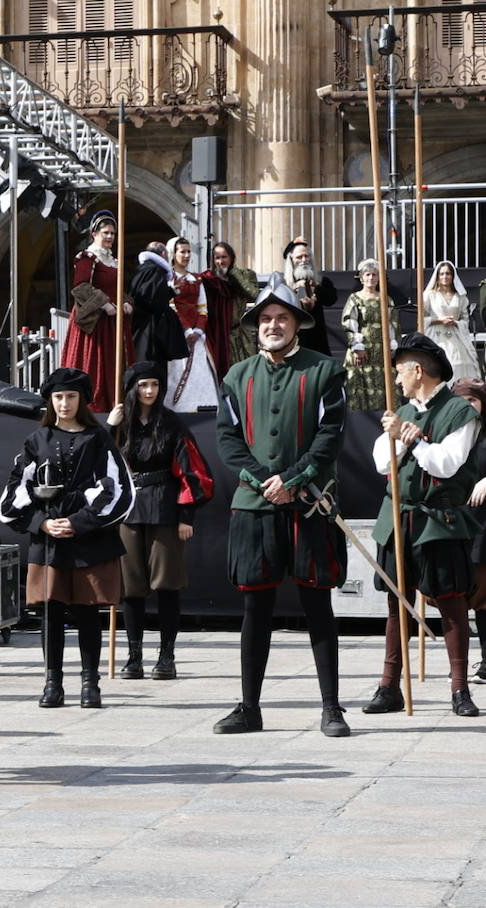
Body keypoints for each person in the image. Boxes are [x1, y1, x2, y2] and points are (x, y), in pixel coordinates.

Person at [212, 274, 351, 737]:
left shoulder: (324, 371)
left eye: (282, 317)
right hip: (254, 506)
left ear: (297, 323)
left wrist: (293, 480)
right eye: (266, 318)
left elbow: (329, 437)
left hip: (309, 503)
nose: (273, 325)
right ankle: (249, 707)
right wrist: (262, 481)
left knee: (317, 606)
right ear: (257, 326)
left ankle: (331, 707)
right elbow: (228, 441)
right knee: (256, 610)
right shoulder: (236, 375)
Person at [0, 367, 134, 709]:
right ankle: (52, 683)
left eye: (71, 396)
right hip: (49, 542)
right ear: (50, 400)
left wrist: (78, 522)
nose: (64, 403)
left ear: (82, 399)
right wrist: (43, 523)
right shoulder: (36, 441)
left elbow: (118, 491)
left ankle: (91, 683)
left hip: (89, 538)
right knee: (51, 613)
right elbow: (14, 495)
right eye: (58, 397)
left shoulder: (99, 438)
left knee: (88, 612)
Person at [363, 334, 481, 718]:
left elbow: (447, 463)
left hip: (440, 520)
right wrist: (399, 436)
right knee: (397, 603)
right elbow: (382, 462)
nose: (396, 380)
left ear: (418, 370)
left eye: (400, 372)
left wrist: (414, 442)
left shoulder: (461, 412)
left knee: (450, 604)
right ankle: (389, 685)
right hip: (400, 517)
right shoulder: (403, 412)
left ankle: (460, 689)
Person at [107, 361, 214, 679]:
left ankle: (166, 656)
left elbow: (193, 470)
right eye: (142, 385)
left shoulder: (171, 423)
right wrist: (109, 427)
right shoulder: (121, 423)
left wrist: (186, 516)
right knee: (131, 588)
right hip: (128, 510)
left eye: (154, 384)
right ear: (131, 389)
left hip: (165, 508)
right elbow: (101, 464)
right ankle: (134, 656)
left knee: (167, 585)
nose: (149, 391)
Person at [60, 211, 132, 413]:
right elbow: (80, 286)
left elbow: (117, 289)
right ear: (94, 234)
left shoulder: (114, 261)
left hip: (112, 322)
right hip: (95, 323)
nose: (110, 237)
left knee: (113, 365)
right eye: (106, 233)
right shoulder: (87, 257)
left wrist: (126, 302)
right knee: (95, 365)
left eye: (112, 233)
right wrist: (104, 304)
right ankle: (93, 406)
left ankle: (115, 405)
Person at [164, 236, 220, 412]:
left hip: (197, 337)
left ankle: (200, 409)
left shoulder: (196, 279)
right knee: (176, 372)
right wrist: (186, 330)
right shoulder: (168, 278)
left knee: (200, 372)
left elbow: (203, 308)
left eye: (189, 251)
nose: (187, 255)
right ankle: (176, 410)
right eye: (183, 251)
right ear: (174, 253)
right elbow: (171, 306)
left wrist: (198, 330)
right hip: (176, 334)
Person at [455, 378, 486, 682]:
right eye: (462, 402)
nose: (467, 408)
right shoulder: (451, 434)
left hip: (484, 524)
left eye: (473, 401)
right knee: (467, 597)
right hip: (459, 523)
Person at [200, 241, 260, 373]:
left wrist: (233, 274)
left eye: (224, 257)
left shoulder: (246, 274)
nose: (221, 261)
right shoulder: (209, 279)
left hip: (240, 336)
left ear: (231, 257)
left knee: (245, 373)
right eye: (217, 257)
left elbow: (254, 295)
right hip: (217, 335)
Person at [130, 241, 188, 367]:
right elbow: (151, 299)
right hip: (149, 330)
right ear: (163, 254)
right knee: (150, 368)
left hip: (142, 326)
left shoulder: (143, 269)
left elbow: (152, 294)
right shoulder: (155, 270)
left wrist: (171, 290)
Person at [341, 259, 389, 411]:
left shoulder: (386, 299)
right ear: (361, 277)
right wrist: (357, 347)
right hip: (361, 351)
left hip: (381, 351)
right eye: (367, 274)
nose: (371, 278)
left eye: (374, 274)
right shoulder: (355, 298)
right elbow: (350, 322)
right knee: (360, 387)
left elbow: (392, 324)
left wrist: (392, 346)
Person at [423, 260, 482, 382]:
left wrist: (456, 323)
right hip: (437, 337)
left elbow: (465, 319)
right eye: (442, 274)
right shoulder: (430, 295)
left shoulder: (461, 297)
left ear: (453, 276)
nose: (445, 277)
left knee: (459, 365)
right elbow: (421, 319)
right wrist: (439, 320)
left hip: (456, 337)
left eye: (448, 274)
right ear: (438, 276)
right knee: (439, 366)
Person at [283, 238, 338, 357]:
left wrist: (316, 286)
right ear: (291, 260)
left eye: (306, 256)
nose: (303, 260)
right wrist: (292, 290)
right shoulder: (284, 283)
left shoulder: (322, 281)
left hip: (317, 340)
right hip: (292, 337)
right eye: (299, 257)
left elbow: (331, 300)